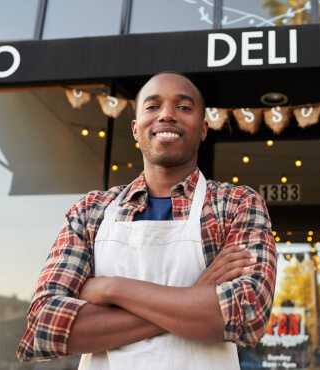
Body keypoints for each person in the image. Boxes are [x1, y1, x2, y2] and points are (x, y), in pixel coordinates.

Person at [16, 71, 277, 369]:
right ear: (136, 128)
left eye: (184, 107)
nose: (167, 115)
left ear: (203, 129)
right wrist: (194, 299)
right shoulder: (91, 211)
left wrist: (112, 289)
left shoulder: (236, 204)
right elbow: (46, 325)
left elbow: (248, 314)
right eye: (153, 106)